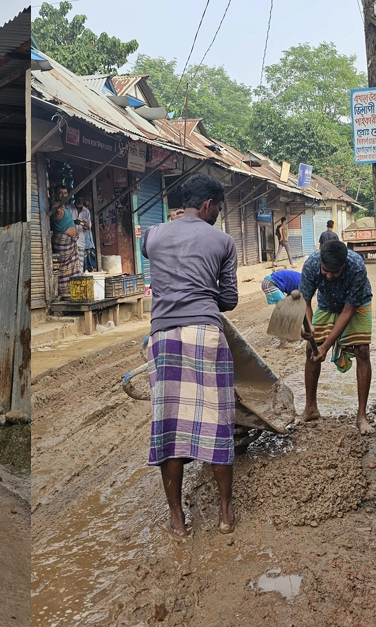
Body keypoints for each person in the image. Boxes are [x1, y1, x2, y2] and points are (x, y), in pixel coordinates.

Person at [141, 173, 239, 537]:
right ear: (209, 205)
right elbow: (229, 300)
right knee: (216, 423)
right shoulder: (224, 241)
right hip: (205, 334)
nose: (216, 216)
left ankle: (177, 520)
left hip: (163, 338)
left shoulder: (152, 235)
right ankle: (226, 514)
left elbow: (149, 253)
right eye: (217, 210)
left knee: (169, 427)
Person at [299, 239, 375, 435]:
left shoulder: (357, 266)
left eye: (335, 272)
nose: (329, 276)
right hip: (326, 303)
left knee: (362, 350)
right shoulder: (311, 264)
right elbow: (306, 303)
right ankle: (310, 408)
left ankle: (361, 416)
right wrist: (308, 327)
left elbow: (348, 311)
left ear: (343, 265)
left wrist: (325, 347)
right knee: (310, 349)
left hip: (356, 304)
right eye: (326, 271)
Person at [47, 186, 80, 297]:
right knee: (64, 267)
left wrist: (75, 232)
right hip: (63, 242)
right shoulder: (56, 206)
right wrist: (58, 210)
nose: (63, 195)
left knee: (70, 268)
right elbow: (56, 215)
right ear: (55, 194)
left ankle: (71, 290)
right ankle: (64, 292)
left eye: (65, 193)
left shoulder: (65, 207)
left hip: (70, 241)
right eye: (60, 193)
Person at [71, 194, 96, 273]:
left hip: (81, 241)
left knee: (80, 265)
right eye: (78, 199)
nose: (79, 201)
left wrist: (86, 227)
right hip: (70, 241)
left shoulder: (86, 211)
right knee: (71, 264)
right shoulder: (69, 208)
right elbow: (64, 223)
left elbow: (89, 227)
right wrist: (74, 222)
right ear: (75, 198)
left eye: (81, 199)